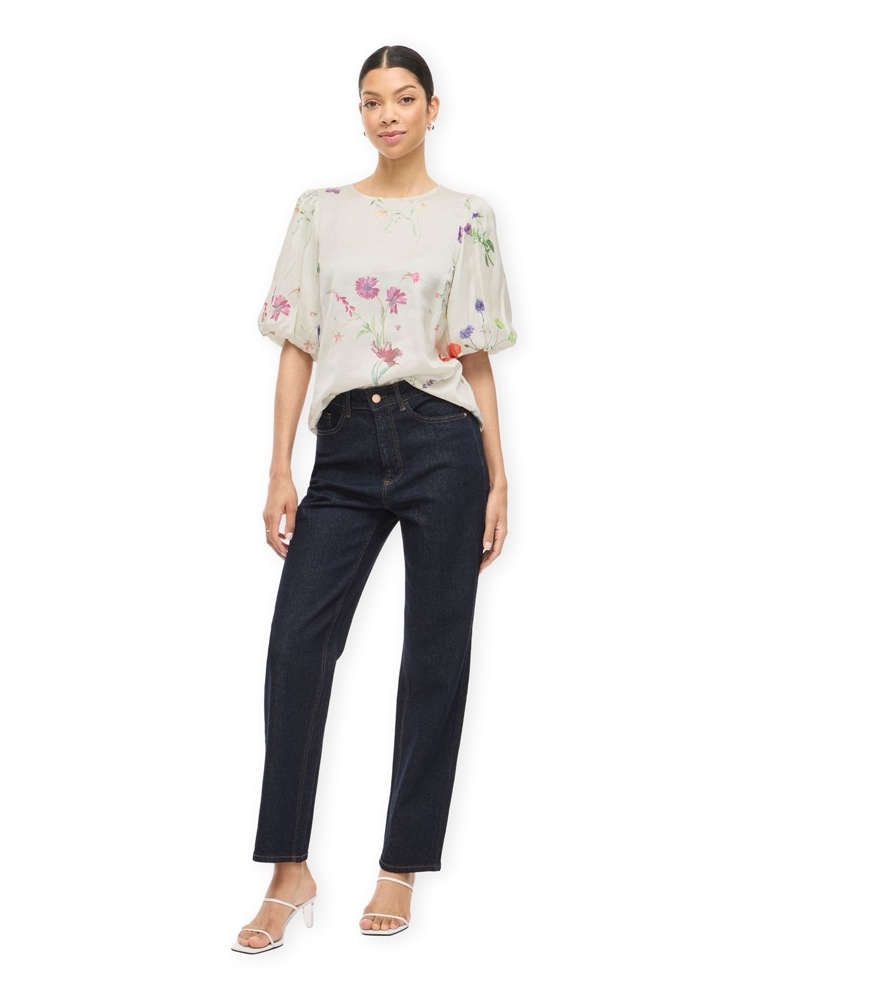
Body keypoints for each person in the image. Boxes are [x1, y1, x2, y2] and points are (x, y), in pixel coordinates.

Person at [232, 43, 517, 954]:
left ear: (433, 108)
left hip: (443, 443)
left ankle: (401, 864)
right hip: (346, 447)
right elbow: (297, 343)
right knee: (296, 647)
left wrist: (498, 474)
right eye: (371, 101)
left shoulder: (467, 217)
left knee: (435, 654)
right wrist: (280, 468)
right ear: (359, 114)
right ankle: (289, 869)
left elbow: (473, 354)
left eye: (403, 98)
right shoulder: (320, 211)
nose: (387, 114)